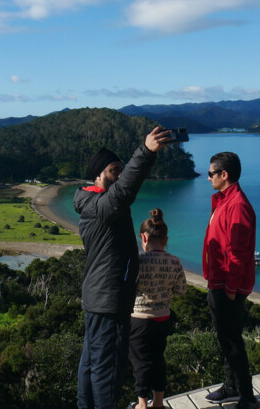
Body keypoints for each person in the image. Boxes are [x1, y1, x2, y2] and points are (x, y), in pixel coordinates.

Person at [74, 126, 173, 409]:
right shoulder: (102, 205)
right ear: (97, 175)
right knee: (109, 370)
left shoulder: (93, 204)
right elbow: (123, 193)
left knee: (91, 363)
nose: (118, 175)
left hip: (99, 298)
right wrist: (146, 152)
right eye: (113, 170)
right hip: (110, 300)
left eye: (120, 170)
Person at [202, 151, 260, 409]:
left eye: (211, 173)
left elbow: (237, 253)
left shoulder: (236, 206)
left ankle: (247, 398)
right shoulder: (226, 200)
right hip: (220, 282)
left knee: (232, 341)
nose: (208, 178)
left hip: (227, 286)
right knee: (226, 338)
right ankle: (231, 387)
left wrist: (230, 288)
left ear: (223, 175)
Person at [127, 208, 188, 409]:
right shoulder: (175, 262)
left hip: (139, 319)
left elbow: (126, 288)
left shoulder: (137, 261)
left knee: (140, 361)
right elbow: (181, 291)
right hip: (163, 318)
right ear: (166, 239)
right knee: (158, 359)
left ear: (143, 237)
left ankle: (142, 404)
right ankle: (159, 402)